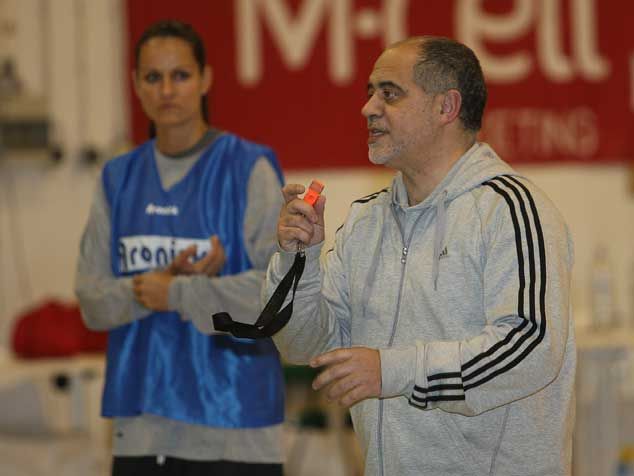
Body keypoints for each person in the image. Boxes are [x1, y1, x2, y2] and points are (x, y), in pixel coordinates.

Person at [265, 36, 575, 475]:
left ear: (446, 106)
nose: (368, 108)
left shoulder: (510, 210)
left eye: (389, 93)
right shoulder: (365, 221)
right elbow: (305, 346)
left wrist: (392, 370)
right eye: (370, 92)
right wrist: (299, 260)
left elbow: (530, 346)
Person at [75, 20, 285, 476]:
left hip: (236, 427)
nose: (167, 90)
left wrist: (179, 293)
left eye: (180, 75)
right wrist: (147, 289)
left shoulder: (249, 168)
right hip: (142, 426)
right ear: (136, 84)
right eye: (153, 77)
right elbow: (91, 302)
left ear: (206, 79)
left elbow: (278, 296)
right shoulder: (117, 178)